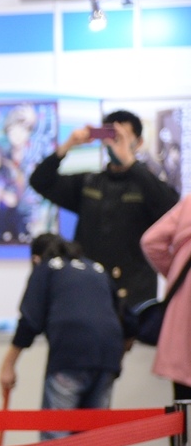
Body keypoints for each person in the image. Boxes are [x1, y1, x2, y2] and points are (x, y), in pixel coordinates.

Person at [0, 234, 124, 446]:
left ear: (35, 258)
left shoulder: (46, 268)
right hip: (109, 355)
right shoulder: (95, 268)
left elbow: (29, 320)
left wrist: (8, 365)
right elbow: (126, 317)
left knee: (56, 431)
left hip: (71, 353)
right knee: (89, 432)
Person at [29, 109, 179, 306]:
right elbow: (40, 181)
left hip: (135, 292)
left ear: (139, 142)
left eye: (123, 138)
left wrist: (130, 162)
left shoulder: (148, 186)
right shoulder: (89, 183)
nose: (116, 145)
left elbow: (171, 208)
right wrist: (68, 145)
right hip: (90, 287)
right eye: (112, 138)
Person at [141, 197, 191, 446]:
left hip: (182, 325)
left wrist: (174, 270)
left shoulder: (188, 204)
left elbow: (151, 240)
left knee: (181, 411)